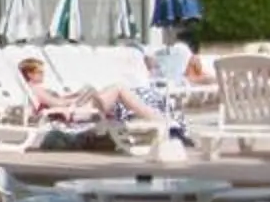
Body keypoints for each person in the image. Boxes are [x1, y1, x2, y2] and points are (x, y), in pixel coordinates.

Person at [16, 55, 189, 148]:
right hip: (75, 113)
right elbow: (58, 105)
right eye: (39, 71)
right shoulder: (35, 89)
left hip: (76, 108)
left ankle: (158, 120)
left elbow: (59, 101)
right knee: (119, 88)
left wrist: (77, 94)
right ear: (30, 74)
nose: (42, 74)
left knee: (116, 88)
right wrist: (76, 98)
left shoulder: (37, 88)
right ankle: (160, 121)